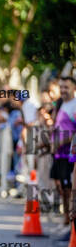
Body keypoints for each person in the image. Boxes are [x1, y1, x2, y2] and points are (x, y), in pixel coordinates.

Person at [50, 77, 76, 229]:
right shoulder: (60, 104)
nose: (63, 90)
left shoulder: (74, 105)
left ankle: (71, 224)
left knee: (69, 189)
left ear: (74, 88)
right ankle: (66, 219)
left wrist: (60, 142)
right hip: (58, 154)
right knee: (61, 187)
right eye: (61, 87)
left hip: (69, 155)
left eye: (66, 87)